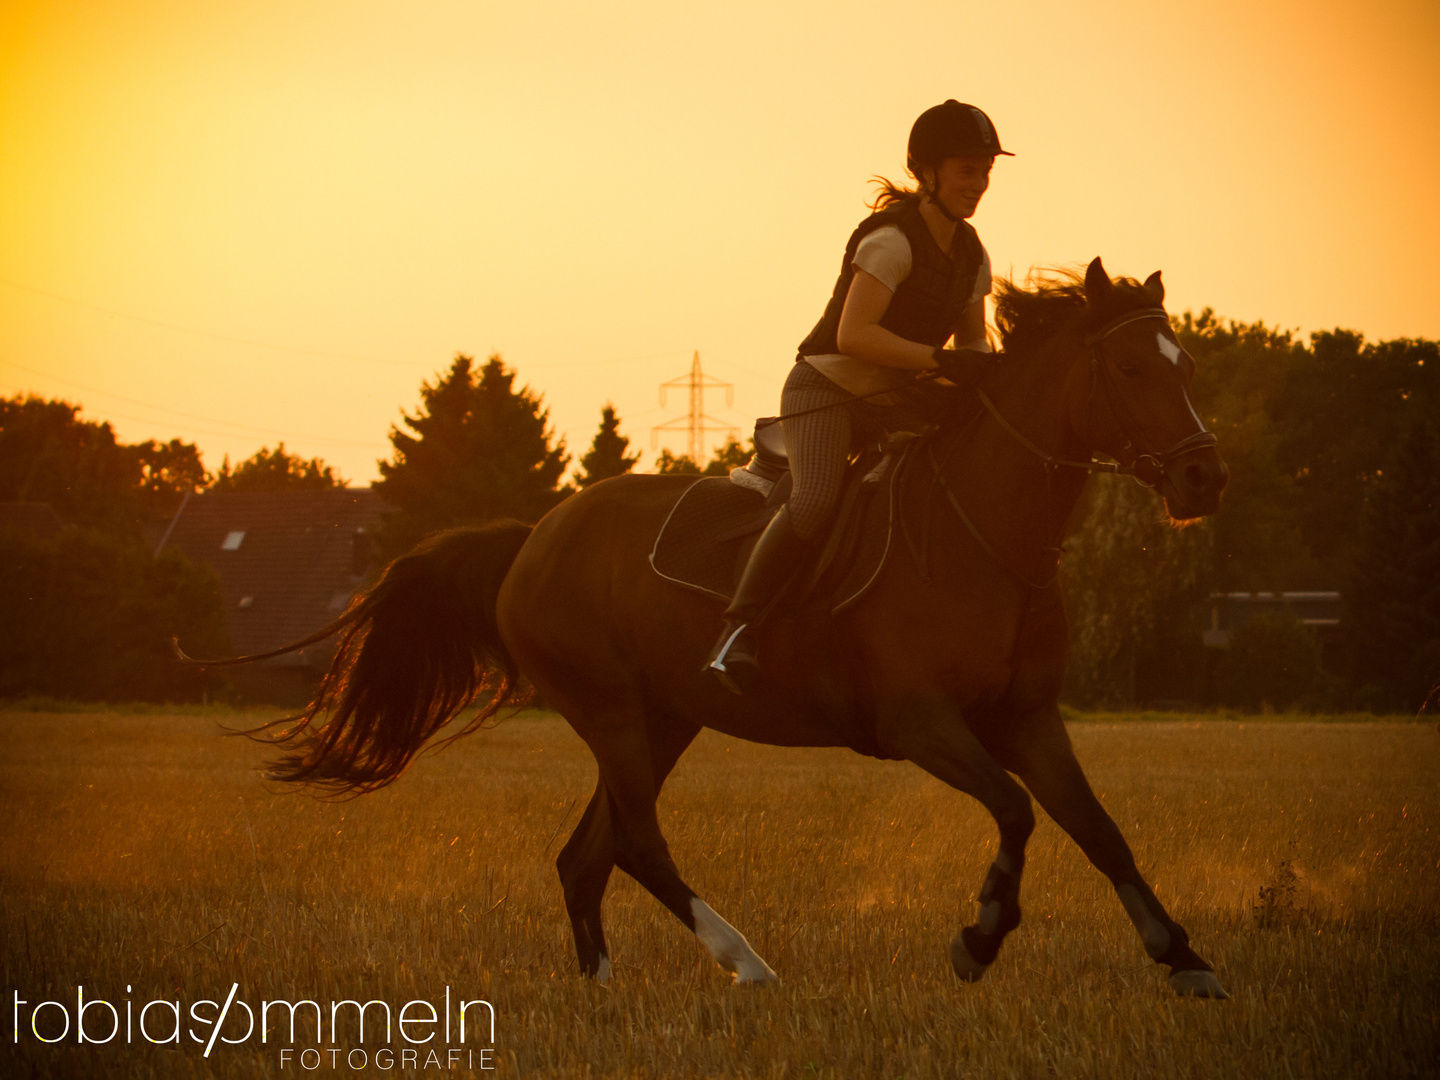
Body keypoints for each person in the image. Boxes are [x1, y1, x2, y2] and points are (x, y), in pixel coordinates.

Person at [705, 100, 1012, 694]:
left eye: (985, 172)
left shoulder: (973, 254)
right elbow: (855, 336)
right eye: (967, 170)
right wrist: (937, 360)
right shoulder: (891, 241)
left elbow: (973, 343)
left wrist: (995, 378)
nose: (978, 185)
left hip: (900, 399)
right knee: (818, 500)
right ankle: (736, 632)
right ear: (928, 171)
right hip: (829, 390)